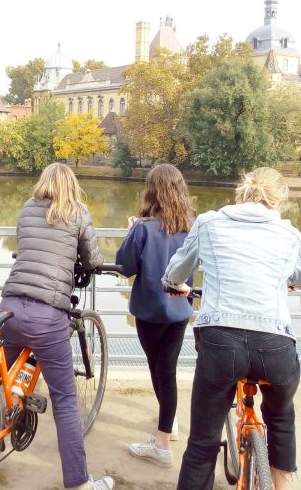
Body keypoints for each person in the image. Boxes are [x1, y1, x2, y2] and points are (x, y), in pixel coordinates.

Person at [162, 167, 301, 490]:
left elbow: (177, 269)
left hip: (221, 341)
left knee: (202, 444)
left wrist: (172, 283)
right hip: (275, 345)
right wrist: (289, 279)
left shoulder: (208, 223)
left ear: (241, 193)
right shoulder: (289, 233)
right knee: (281, 417)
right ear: (278, 200)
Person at [0, 162, 115, 490]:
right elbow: (92, 259)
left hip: (8, 306)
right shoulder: (77, 212)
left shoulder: (26, 208)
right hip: (47, 315)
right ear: (72, 185)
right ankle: (79, 483)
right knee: (64, 399)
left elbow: (25, 246)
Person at [115, 164, 195, 468]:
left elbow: (126, 268)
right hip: (179, 311)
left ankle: (162, 441)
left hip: (149, 310)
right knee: (168, 369)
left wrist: (130, 231)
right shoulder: (193, 227)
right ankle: (168, 423)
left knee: (157, 368)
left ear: (152, 191)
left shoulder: (143, 228)